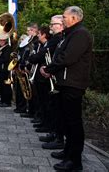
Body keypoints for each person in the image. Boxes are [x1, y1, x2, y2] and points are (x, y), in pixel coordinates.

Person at [41, 6, 93, 171]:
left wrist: (48, 70)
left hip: (73, 84)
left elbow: (67, 57)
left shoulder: (81, 34)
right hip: (66, 83)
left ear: (74, 18)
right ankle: (68, 152)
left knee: (73, 123)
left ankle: (75, 161)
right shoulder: (71, 34)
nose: (62, 20)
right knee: (67, 121)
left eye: (64, 17)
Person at [40, 15, 65, 149]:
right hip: (54, 76)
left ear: (60, 25)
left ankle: (58, 137)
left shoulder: (60, 38)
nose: (51, 26)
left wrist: (49, 69)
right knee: (54, 108)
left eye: (53, 24)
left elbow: (61, 59)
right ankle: (55, 134)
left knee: (57, 110)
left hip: (60, 79)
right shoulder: (59, 39)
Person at [27, 26, 52, 133]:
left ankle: (46, 124)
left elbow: (36, 58)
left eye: (39, 34)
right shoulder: (42, 45)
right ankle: (42, 121)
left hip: (43, 78)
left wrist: (33, 57)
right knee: (42, 101)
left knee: (45, 102)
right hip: (39, 77)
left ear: (44, 35)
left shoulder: (46, 45)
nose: (37, 36)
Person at [0, 38, 12, 107]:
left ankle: (7, 101)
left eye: (0, 40)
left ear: (4, 41)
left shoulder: (7, 48)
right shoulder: (1, 48)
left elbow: (5, 59)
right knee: (0, 85)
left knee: (6, 86)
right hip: (0, 69)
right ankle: (2, 99)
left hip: (5, 70)